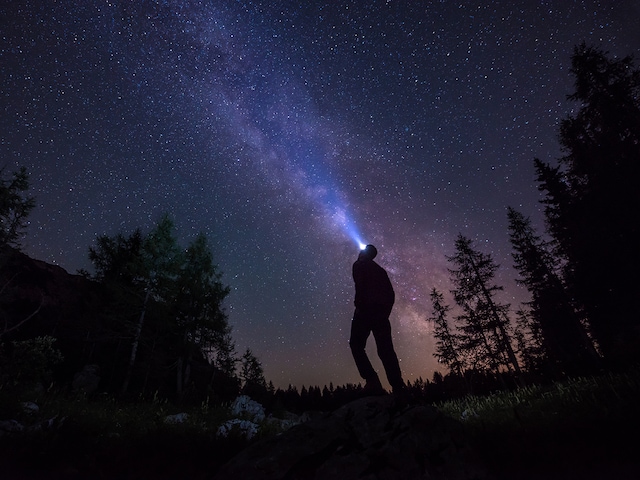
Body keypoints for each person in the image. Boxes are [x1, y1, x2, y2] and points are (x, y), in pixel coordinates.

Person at [350, 244, 405, 395]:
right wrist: (384, 313)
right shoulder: (381, 271)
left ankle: (372, 380)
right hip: (380, 314)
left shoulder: (359, 264)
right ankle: (398, 387)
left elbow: (360, 286)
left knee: (356, 345)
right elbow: (391, 294)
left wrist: (360, 305)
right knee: (386, 350)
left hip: (365, 312)